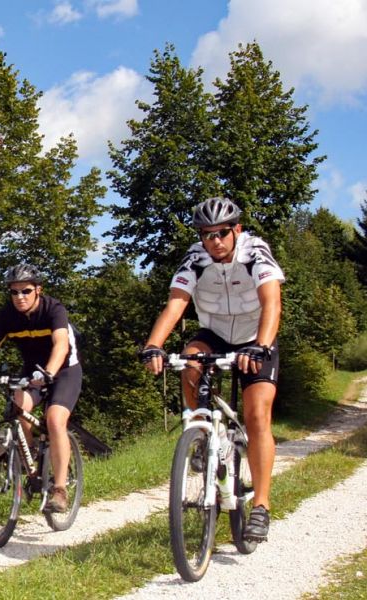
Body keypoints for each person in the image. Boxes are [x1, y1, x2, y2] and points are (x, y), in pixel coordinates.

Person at [141, 196, 283, 542]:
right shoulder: (196, 258)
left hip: (254, 335)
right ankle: (202, 434)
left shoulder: (255, 253)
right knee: (189, 361)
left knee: (257, 414)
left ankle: (261, 507)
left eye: (222, 233)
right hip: (215, 334)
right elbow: (176, 303)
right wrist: (153, 345)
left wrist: (261, 345)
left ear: (237, 230)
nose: (215, 241)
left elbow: (272, 302)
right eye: (207, 234)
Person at [0, 264, 83, 513]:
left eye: (26, 291)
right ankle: (33, 466)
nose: (19, 297)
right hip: (32, 372)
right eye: (14, 292)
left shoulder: (53, 309)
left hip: (64, 371)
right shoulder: (8, 315)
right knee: (19, 404)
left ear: (38, 290)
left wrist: (49, 372)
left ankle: (60, 490)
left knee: (55, 419)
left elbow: (61, 345)